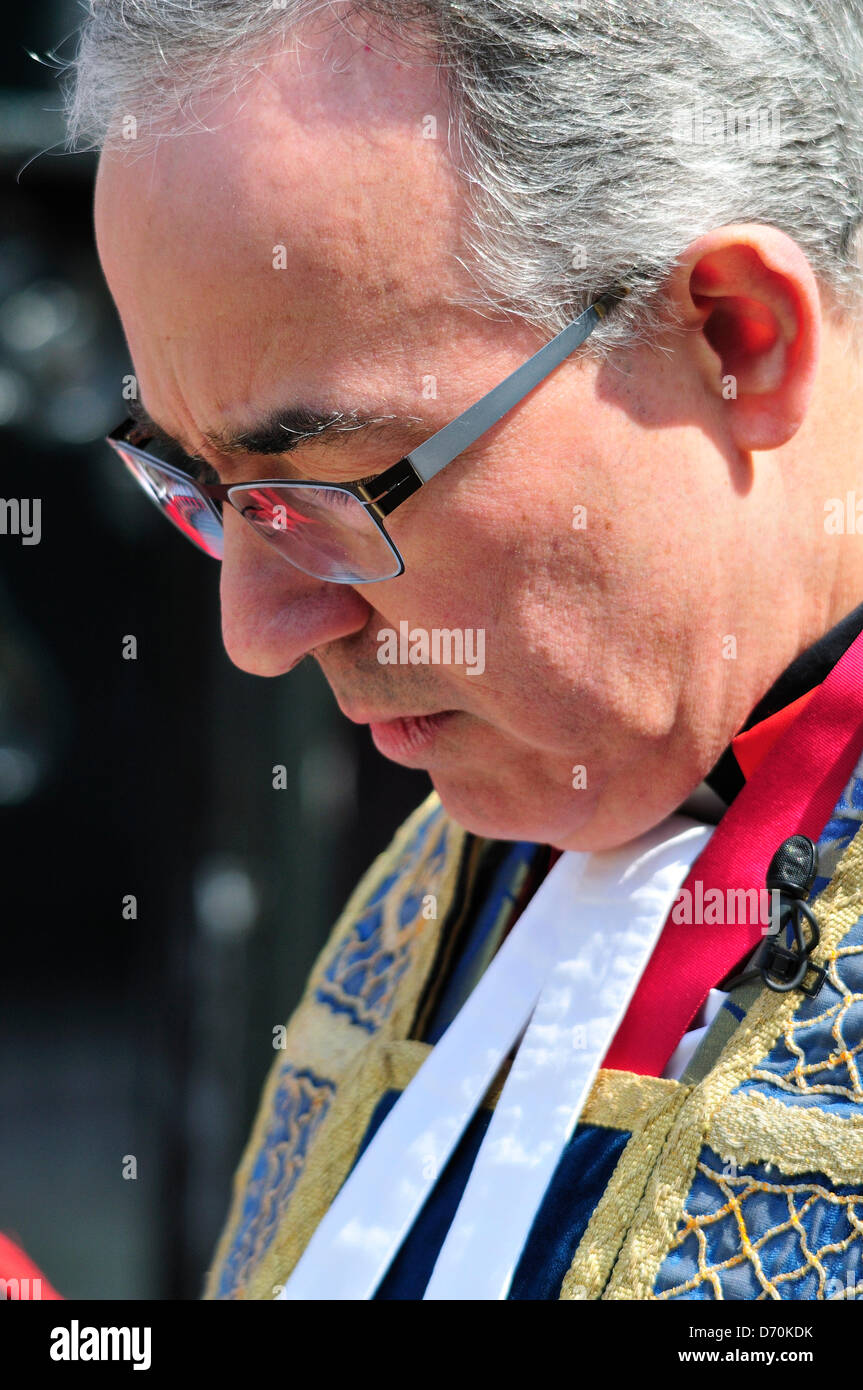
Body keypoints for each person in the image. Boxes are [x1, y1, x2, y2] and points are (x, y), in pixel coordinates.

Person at [65, 0, 863, 1299]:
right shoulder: (441, 875)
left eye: (336, 485)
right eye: (203, 487)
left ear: (737, 338)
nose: (258, 634)